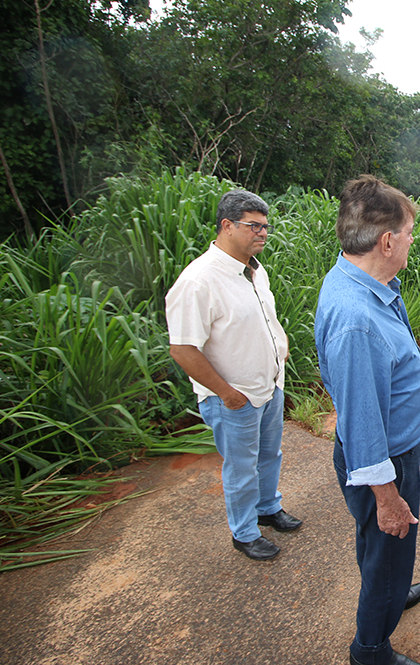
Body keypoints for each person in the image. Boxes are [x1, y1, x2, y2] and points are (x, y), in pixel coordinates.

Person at [314, 175, 420, 665]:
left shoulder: (363, 279)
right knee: (388, 540)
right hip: (384, 459)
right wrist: (387, 497)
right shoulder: (357, 319)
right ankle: (370, 649)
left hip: (392, 449)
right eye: (407, 234)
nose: (410, 241)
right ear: (386, 241)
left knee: (382, 551)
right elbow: (362, 426)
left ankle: (389, 588)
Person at [166, 190, 302, 562]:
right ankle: (244, 533)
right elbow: (182, 349)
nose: (263, 233)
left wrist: (280, 349)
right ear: (226, 226)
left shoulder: (255, 270)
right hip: (234, 397)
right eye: (253, 226)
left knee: (269, 455)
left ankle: (267, 508)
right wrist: (226, 393)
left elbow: (264, 319)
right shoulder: (198, 281)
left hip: (269, 385)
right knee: (241, 468)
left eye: (265, 226)